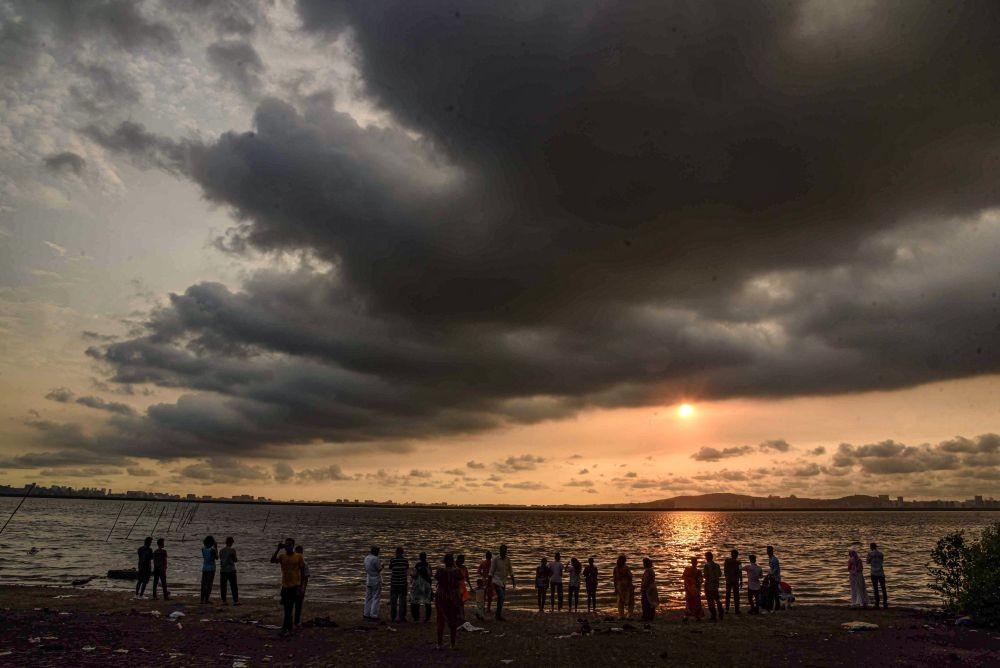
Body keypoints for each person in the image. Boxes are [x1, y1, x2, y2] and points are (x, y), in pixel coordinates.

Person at [270, 538, 304, 636]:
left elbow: (302, 572)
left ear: (293, 546)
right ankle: (287, 628)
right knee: (287, 608)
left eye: (289, 545)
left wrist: (301, 587)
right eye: (286, 545)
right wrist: (277, 549)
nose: (288, 546)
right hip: (285, 586)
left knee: (290, 608)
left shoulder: (298, 557)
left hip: (295, 586)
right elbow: (272, 560)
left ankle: (286, 628)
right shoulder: (282, 556)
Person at [434, 553, 463, 650]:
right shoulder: (457, 571)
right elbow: (460, 579)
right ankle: (452, 644)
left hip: (441, 597)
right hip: (452, 597)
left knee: (440, 620)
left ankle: (439, 644)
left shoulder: (440, 571)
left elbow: (437, 578)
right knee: (453, 621)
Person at [488, 544, 516, 621]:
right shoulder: (495, 559)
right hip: (496, 581)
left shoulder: (508, 559)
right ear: (500, 550)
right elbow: (491, 572)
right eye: (503, 550)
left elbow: (511, 571)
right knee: (501, 596)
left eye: (505, 550)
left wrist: (513, 581)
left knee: (501, 599)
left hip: (503, 582)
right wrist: (488, 583)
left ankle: (498, 615)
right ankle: (498, 615)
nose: (504, 552)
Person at [410, 552, 433, 622]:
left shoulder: (417, 565)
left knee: (415, 601)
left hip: (418, 585)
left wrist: (411, 575)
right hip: (427, 585)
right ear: (425, 557)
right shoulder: (428, 565)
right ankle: (427, 618)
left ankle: (416, 618)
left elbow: (415, 575)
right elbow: (430, 575)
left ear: (420, 557)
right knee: (427, 602)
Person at [389, 547, 409, 623]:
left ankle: (393, 617)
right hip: (403, 583)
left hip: (394, 583)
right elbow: (407, 568)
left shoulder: (392, 560)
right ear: (402, 552)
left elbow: (390, 567)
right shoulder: (405, 561)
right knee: (402, 600)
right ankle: (401, 617)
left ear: (396, 552)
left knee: (393, 600)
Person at [363, 546, 383, 620]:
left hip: (369, 579)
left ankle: (366, 613)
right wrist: (382, 566)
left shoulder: (366, 558)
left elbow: (365, 568)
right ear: (376, 552)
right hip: (376, 579)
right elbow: (379, 569)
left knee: (368, 597)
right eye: (378, 551)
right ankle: (373, 614)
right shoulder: (376, 559)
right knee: (376, 597)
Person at [613, 555, 635, 619]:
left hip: (619, 586)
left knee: (620, 600)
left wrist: (615, 588)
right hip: (627, 585)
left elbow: (614, 579)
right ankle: (629, 614)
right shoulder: (626, 568)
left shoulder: (615, 569)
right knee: (630, 601)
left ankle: (621, 615)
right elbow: (630, 576)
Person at [703, 551, 723, 621]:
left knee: (710, 601)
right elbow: (720, 574)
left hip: (709, 585)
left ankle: (713, 615)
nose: (705, 558)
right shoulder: (717, 565)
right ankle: (721, 612)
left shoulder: (706, 566)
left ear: (707, 557)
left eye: (706, 557)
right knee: (717, 600)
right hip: (715, 585)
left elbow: (706, 576)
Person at [219, 536, 239, 605]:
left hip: (223, 570)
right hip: (231, 570)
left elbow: (221, 560)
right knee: (233, 586)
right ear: (231, 543)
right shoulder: (232, 550)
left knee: (223, 586)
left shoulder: (221, 550)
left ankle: (223, 600)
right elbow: (235, 560)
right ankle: (235, 601)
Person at [683, 556, 704, 621]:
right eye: (695, 562)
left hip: (690, 588)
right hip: (693, 588)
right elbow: (701, 580)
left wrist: (690, 583)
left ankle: (688, 616)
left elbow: (683, 577)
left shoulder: (688, 569)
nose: (695, 563)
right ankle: (696, 616)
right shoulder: (697, 571)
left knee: (690, 602)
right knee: (695, 602)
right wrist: (697, 583)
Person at [868, 543, 888, 609]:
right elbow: (882, 561)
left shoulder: (870, 554)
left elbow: (868, 562)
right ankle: (885, 603)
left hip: (873, 572)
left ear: (871, 547)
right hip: (881, 573)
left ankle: (877, 603)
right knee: (883, 588)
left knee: (875, 588)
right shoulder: (881, 554)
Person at [200, 535, 218, 604]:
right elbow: (216, 557)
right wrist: (216, 547)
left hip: (205, 568)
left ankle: (202, 599)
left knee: (204, 584)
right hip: (211, 569)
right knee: (209, 585)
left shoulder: (203, 549)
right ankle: (206, 599)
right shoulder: (212, 550)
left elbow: (205, 557)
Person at [294, 545, 310, 626]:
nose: (298, 554)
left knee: (298, 605)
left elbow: (306, 578)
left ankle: (296, 622)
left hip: (299, 586)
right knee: (289, 605)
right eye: (297, 552)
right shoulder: (293, 562)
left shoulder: (304, 564)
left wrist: (303, 588)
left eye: (299, 553)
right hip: (292, 586)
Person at [723, 549, 742, 614]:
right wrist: (741, 580)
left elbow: (725, 570)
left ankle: (727, 609)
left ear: (731, 554)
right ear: (737, 555)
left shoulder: (727, 561)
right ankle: (736, 609)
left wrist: (726, 577)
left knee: (728, 595)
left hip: (729, 579)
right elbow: (740, 572)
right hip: (735, 580)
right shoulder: (738, 562)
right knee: (736, 595)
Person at [640, 557, 658, 622]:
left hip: (648, 589)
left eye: (643, 563)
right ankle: (651, 616)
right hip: (652, 587)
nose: (643, 564)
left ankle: (646, 617)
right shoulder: (651, 570)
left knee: (645, 602)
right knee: (651, 602)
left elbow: (646, 581)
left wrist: (642, 588)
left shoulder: (647, 571)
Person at [766, 545, 781, 612]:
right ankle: (775, 606)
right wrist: (769, 574)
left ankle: (775, 607)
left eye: (769, 550)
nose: (768, 552)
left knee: (774, 593)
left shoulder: (774, 559)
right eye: (767, 550)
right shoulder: (770, 559)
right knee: (773, 593)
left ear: (772, 551)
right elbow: (772, 568)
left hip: (775, 578)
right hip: (773, 578)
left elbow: (776, 569)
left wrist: (770, 574)